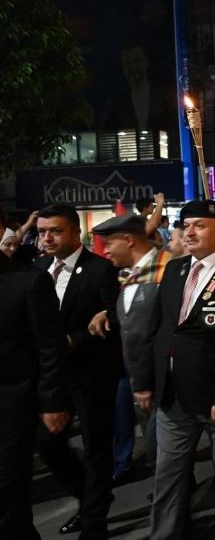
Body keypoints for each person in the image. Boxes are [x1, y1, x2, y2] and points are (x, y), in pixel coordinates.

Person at [133, 199, 215, 540]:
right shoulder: (175, 270)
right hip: (172, 395)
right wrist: (145, 381)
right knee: (167, 477)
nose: (189, 232)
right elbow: (158, 329)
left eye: (198, 226)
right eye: (186, 226)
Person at [35, 204, 122, 539]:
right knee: (48, 444)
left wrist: (76, 339)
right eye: (42, 232)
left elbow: (116, 317)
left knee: (96, 447)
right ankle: (91, 496)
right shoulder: (39, 267)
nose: (47, 238)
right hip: (53, 376)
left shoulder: (101, 269)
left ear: (75, 232)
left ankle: (93, 523)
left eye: (55, 231)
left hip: (92, 373)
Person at [88, 215, 172, 486]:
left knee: (166, 455)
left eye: (109, 243)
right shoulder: (127, 275)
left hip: (165, 380)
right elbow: (132, 317)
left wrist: (146, 383)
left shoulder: (170, 270)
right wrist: (106, 313)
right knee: (157, 449)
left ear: (128, 240)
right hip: (139, 377)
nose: (105, 251)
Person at [0, 223, 69, 540]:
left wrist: (52, 402)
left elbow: (49, 347)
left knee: (9, 495)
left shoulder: (28, 281)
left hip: (13, 404)